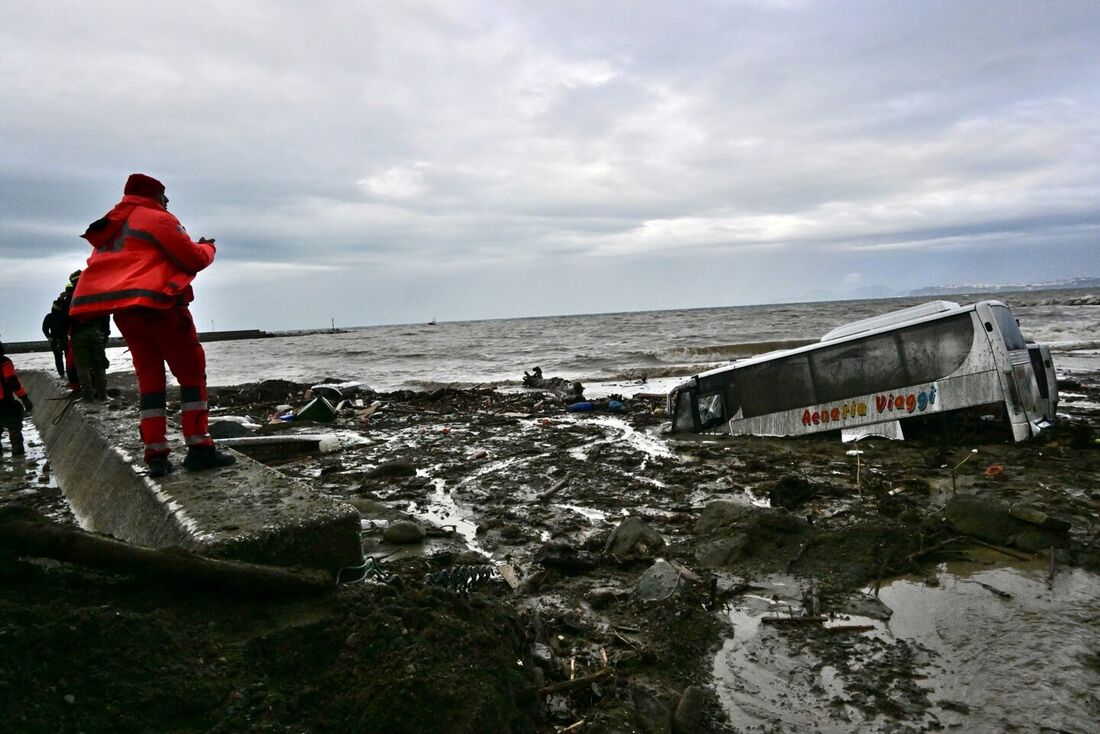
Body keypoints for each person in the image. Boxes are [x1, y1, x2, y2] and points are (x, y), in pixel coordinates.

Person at [69, 173, 235, 478]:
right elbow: (193, 258)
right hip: (163, 308)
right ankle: (199, 448)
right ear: (156, 196)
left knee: (150, 382)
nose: (168, 202)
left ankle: (156, 455)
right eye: (165, 197)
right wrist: (209, 247)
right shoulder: (158, 219)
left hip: (127, 313)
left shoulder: (113, 227)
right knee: (191, 375)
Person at [65, 271, 111, 402]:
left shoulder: (70, 298)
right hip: (96, 334)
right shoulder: (95, 294)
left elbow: (64, 320)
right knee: (99, 365)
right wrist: (105, 333)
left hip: (78, 336)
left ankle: (87, 396)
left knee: (82, 366)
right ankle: (103, 395)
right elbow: (104, 314)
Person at [0, 340, 34, 458]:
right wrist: (24, 398)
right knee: (14, 427)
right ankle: (18, 457)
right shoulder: (4, 362)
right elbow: (12, 381)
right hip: (5, 402)